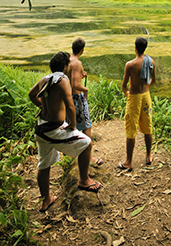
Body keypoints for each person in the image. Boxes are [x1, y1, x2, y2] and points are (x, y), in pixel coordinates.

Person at [29, 51, 102, 212]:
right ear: (64, 67)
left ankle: (46, 200)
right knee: (87, 143)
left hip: (41, 129)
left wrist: (42, 106)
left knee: (44, 164)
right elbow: (70, 105)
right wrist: (73, 126)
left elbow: (31, 94)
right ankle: (84, 180)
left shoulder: (45, 79)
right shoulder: (62, 80)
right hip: (53, 130)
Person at [118, 36, 156, 171]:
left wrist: (127, 94)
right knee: (147, 125)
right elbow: (153, 80)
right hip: (146, 96)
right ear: (145, 48)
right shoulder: (150, 61)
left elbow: (124, 85)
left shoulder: (130, 64)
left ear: (135, 47)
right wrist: (146, 89)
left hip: (134, 97)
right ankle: (149, 155)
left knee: (131, 127)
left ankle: (128, 161)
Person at [66, 37, 103, 166]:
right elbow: (76, 85)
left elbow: (70, 79)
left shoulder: (67, 60)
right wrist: (85, 90)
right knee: (86, 126)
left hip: (68, 98)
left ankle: (70, 156)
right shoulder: (77, 63)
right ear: (82, 50)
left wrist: (80, 74)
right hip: (77, 98)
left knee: (71, 125)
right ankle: (89, 157)